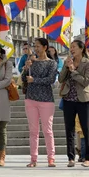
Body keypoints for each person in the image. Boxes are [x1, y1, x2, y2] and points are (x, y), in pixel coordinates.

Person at [22, 38, 57, 168]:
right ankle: (33, 159)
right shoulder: (32, 62)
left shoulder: (51, 63)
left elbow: (50, 79)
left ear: (45, 47)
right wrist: (26, 69)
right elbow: (23, 79)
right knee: (33, 131)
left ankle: (51, 158)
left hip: (46, 99)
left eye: (38, 46)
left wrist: (34, 80)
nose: (36, 49)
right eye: (34, 46)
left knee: (47, 130)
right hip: (31, 98)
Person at [59, 40, 89, 168]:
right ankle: (70, 157)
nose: (72, 49)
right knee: (69, 129)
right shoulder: (68, 62)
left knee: (86, 128)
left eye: (74, 47)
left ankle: (88, 157)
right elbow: (60, 79)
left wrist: (73, 71)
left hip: (83, 99)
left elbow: (86, 82)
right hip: (68, 99)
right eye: (71, 47)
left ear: (81, 49)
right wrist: (66, 67)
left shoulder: (88, 63)